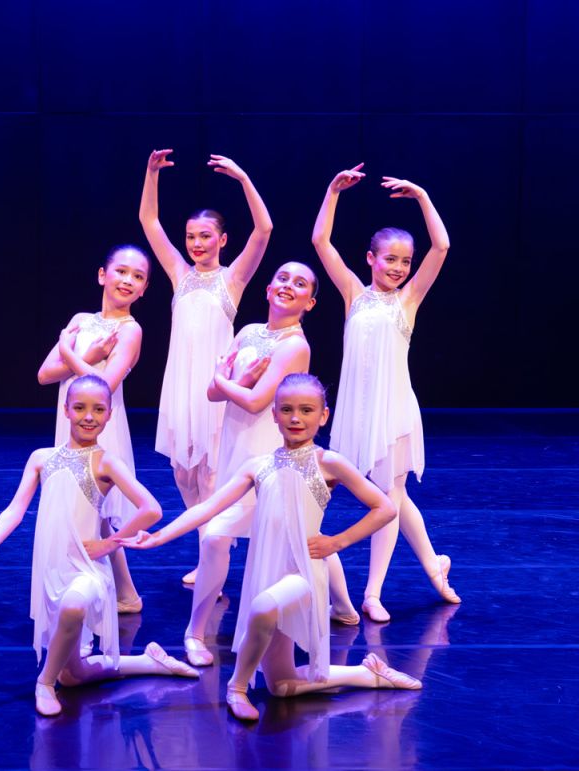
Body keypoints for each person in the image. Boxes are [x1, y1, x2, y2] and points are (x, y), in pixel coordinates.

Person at [121, 373, 421, 721]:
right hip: (266, 570)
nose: (296, 418)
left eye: (307, 410)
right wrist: (158, 537)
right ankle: (368, 674)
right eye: (288, 410)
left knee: (262, 608)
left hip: (303, 572)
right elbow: (207, 508)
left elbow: (384, 508)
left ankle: (237, 688)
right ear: (274, 415)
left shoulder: (328, 462)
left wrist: (337, 541)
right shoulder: (258, 466)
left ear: (323, 416)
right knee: (281, 684)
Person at [0, 375, 198, 717]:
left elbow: (151, 508)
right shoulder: (41, 457)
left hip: (88, 569)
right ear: (65, 410)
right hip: (53, 570)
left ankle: (44, 684)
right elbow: (14, 510)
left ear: (110, 414)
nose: (89, 416)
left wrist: (108, 544)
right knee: (74, 675)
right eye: (79, 407)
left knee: (75, 605)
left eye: (98, 409)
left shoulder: (107, 462)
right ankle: (148, 662)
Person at [183, 262, 358, 668]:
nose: (288, 286)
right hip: (236, 456)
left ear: (310, 302)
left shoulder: (296, 346)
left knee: (295, 539)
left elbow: (258, 400)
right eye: (282, 278)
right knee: (220, 539)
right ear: (267, 288)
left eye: (299, 284)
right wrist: (232, 382)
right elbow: (214, 393)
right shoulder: (247, 332)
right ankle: (194, 632)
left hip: (274, 461)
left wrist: (229, 380)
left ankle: (346, 607)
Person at [311, 164, 460, 622]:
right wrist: (333, 192)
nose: (397, 267)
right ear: (371, 258)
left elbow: (442, 245)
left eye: (403, 261)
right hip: (358, 411)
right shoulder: (353, 293)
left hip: (394, 409)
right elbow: (321, 242)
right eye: (389, 258)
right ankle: (435, 566)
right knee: (394, 497)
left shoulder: (408, 300)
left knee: (389, 498)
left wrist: (422, 196)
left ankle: (372, 593)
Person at [140, 151, 273, 585]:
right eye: (191, 237)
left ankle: (212, 563)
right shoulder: (180, 275)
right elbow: (149, 223)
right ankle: (210, 548)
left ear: (222, 240)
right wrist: (151, 174)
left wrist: (242, 177)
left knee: (214, 477)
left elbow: (264, 229)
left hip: (216, 390)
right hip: (180, 389)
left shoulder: (231, 280)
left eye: (205, 236)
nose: (196, 244)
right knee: (184, 472)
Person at [37, 246, 151, 614]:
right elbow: (44, 374)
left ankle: (118, 592)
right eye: (121, 271)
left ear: (144, 289)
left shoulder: (130, 331)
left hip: (101, 426)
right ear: (103, 275)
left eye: (137, 276)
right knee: (87, 512)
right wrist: (81, 355)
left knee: (96, 509)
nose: (127, 280)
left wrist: (69, 353)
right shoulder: (81, 319)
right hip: (70, 421)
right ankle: (121, 592)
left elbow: (104, 384)